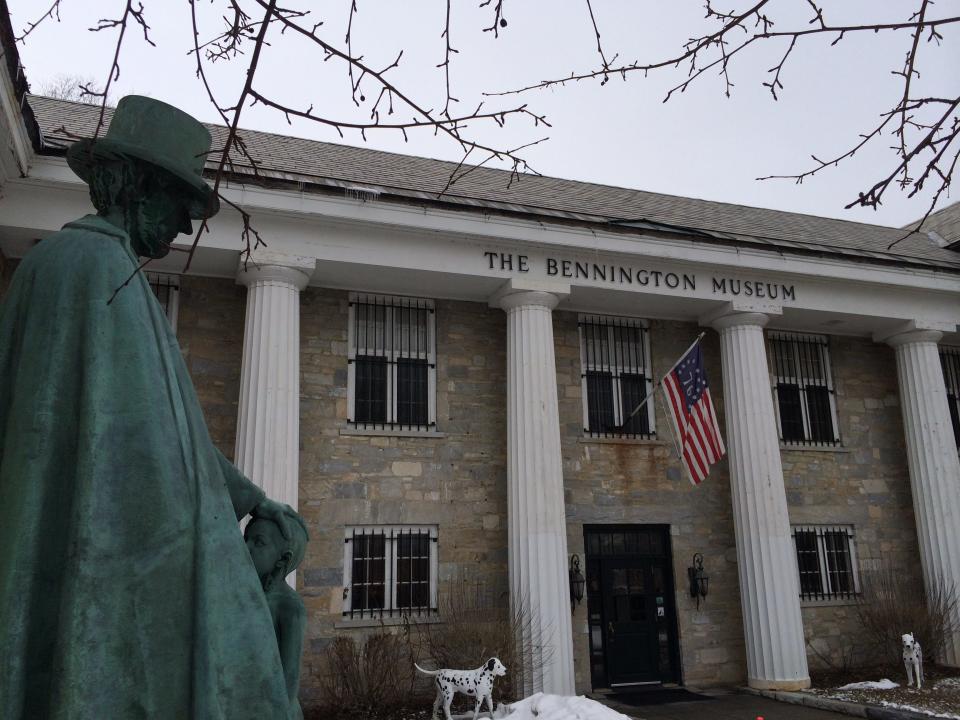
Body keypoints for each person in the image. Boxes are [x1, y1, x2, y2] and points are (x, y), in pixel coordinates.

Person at [0, 95, 305, 719]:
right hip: (116, 543)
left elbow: (176, 431)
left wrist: (250, 499)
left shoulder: (74, 267)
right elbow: (152, 449)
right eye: (179, 204)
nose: (185, 229)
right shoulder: (102, 274)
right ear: (133, 185)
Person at [245, 517, 308, 720]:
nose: (246, 547)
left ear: (282, 559)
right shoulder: (241, 597)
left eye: (258, 542)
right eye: (245, 538)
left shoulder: (290, 607)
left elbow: (288, 682)